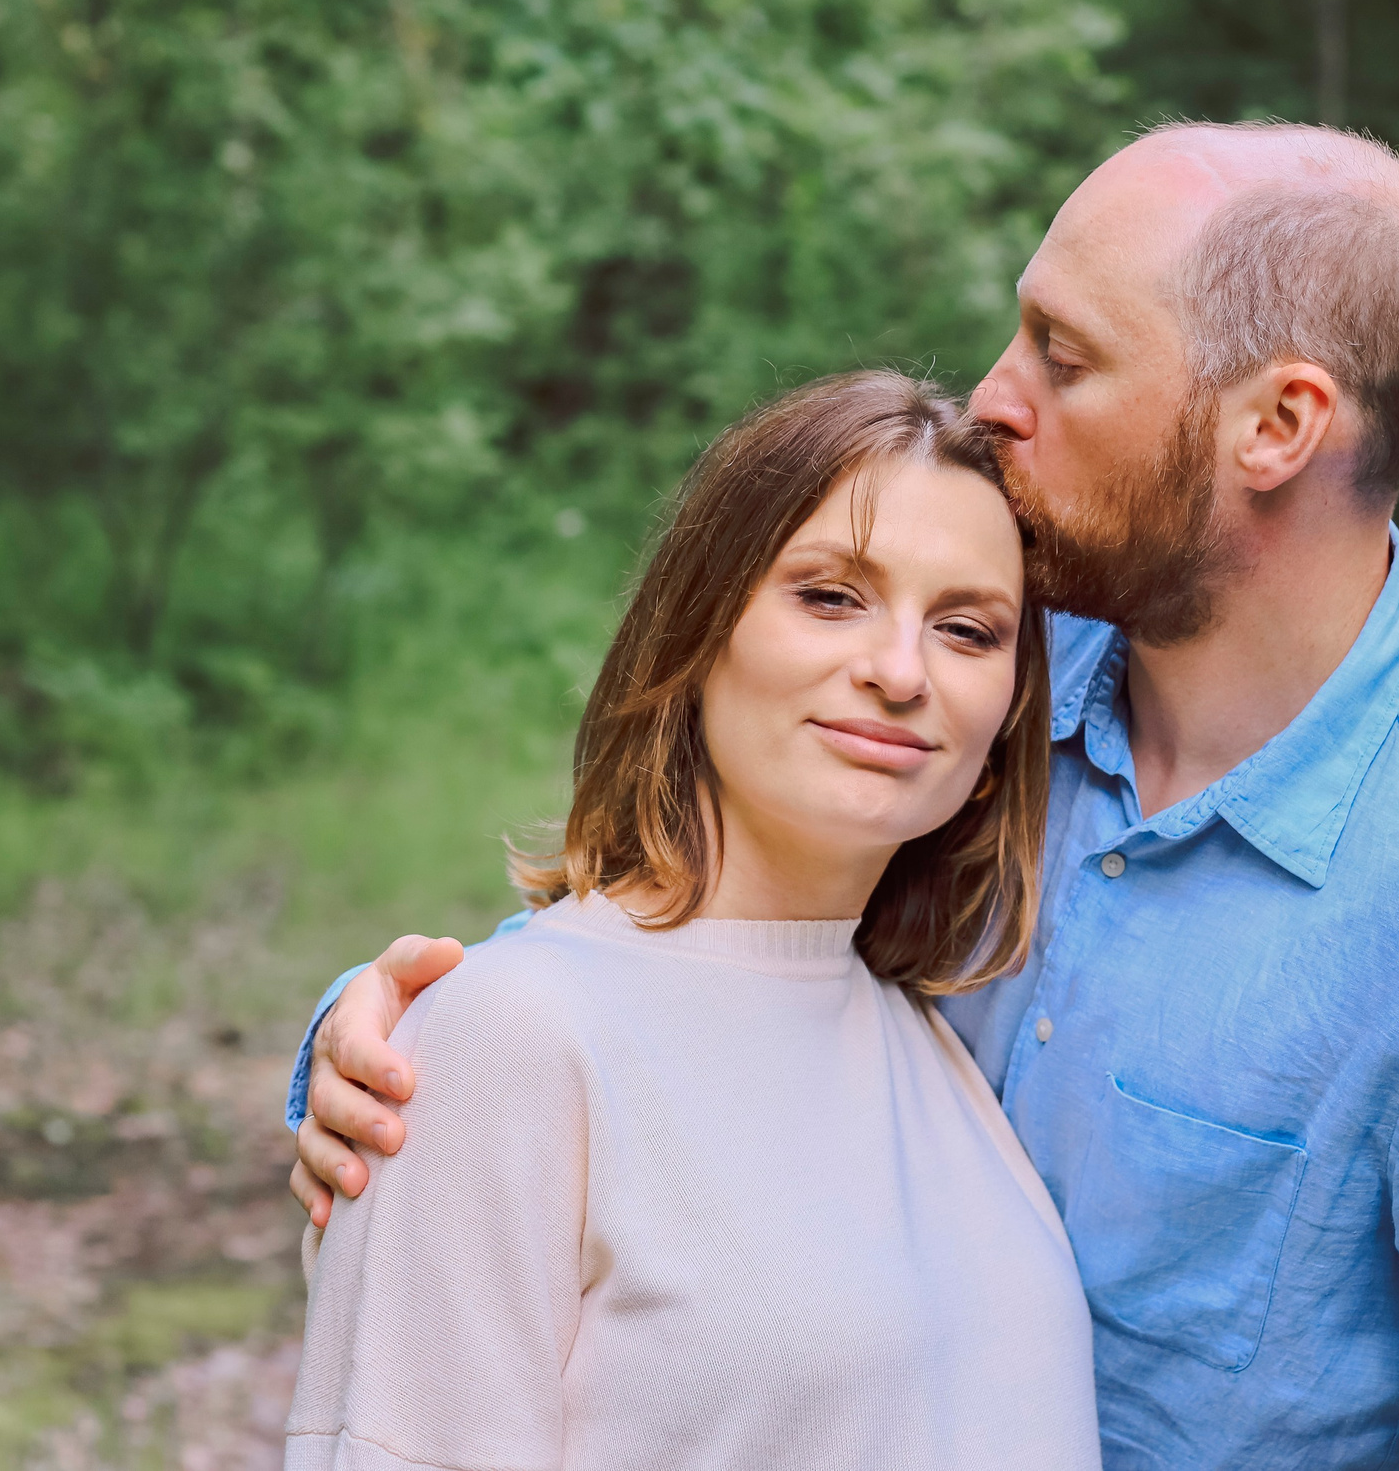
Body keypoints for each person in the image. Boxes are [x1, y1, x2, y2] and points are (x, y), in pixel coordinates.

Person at [290, 122, 1399, 1467]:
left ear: (1277, 425)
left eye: (1065, 353)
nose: (993, 394)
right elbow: (672, 980)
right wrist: (400, 1050)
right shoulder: (986, 683)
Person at [285, 373, 1104, 1470]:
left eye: (966, 628)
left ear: (1007, 717)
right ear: (700, 625)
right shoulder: (507, 1040)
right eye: (829, 596)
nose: (901, 672)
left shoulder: (934, 1040)